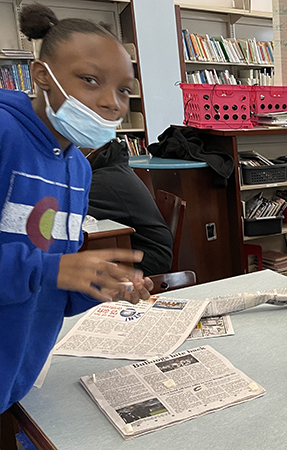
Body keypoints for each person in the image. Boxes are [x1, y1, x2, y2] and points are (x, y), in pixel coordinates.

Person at [0, 5, 153, 413]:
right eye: (90, 81)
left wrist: (96, 287)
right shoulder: (4, 134)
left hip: (18, 378)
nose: (112, 104)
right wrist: (51, 269)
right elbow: (45, 269)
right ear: (41, 76)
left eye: (124, 90)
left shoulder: (79, 168)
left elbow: (50, 284)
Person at [85, 139, 173, 276]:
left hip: (149, 257)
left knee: (82, 270)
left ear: (91, 149)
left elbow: (73, 211)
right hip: (144, 249)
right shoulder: (112, 169)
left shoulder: (105, 180)